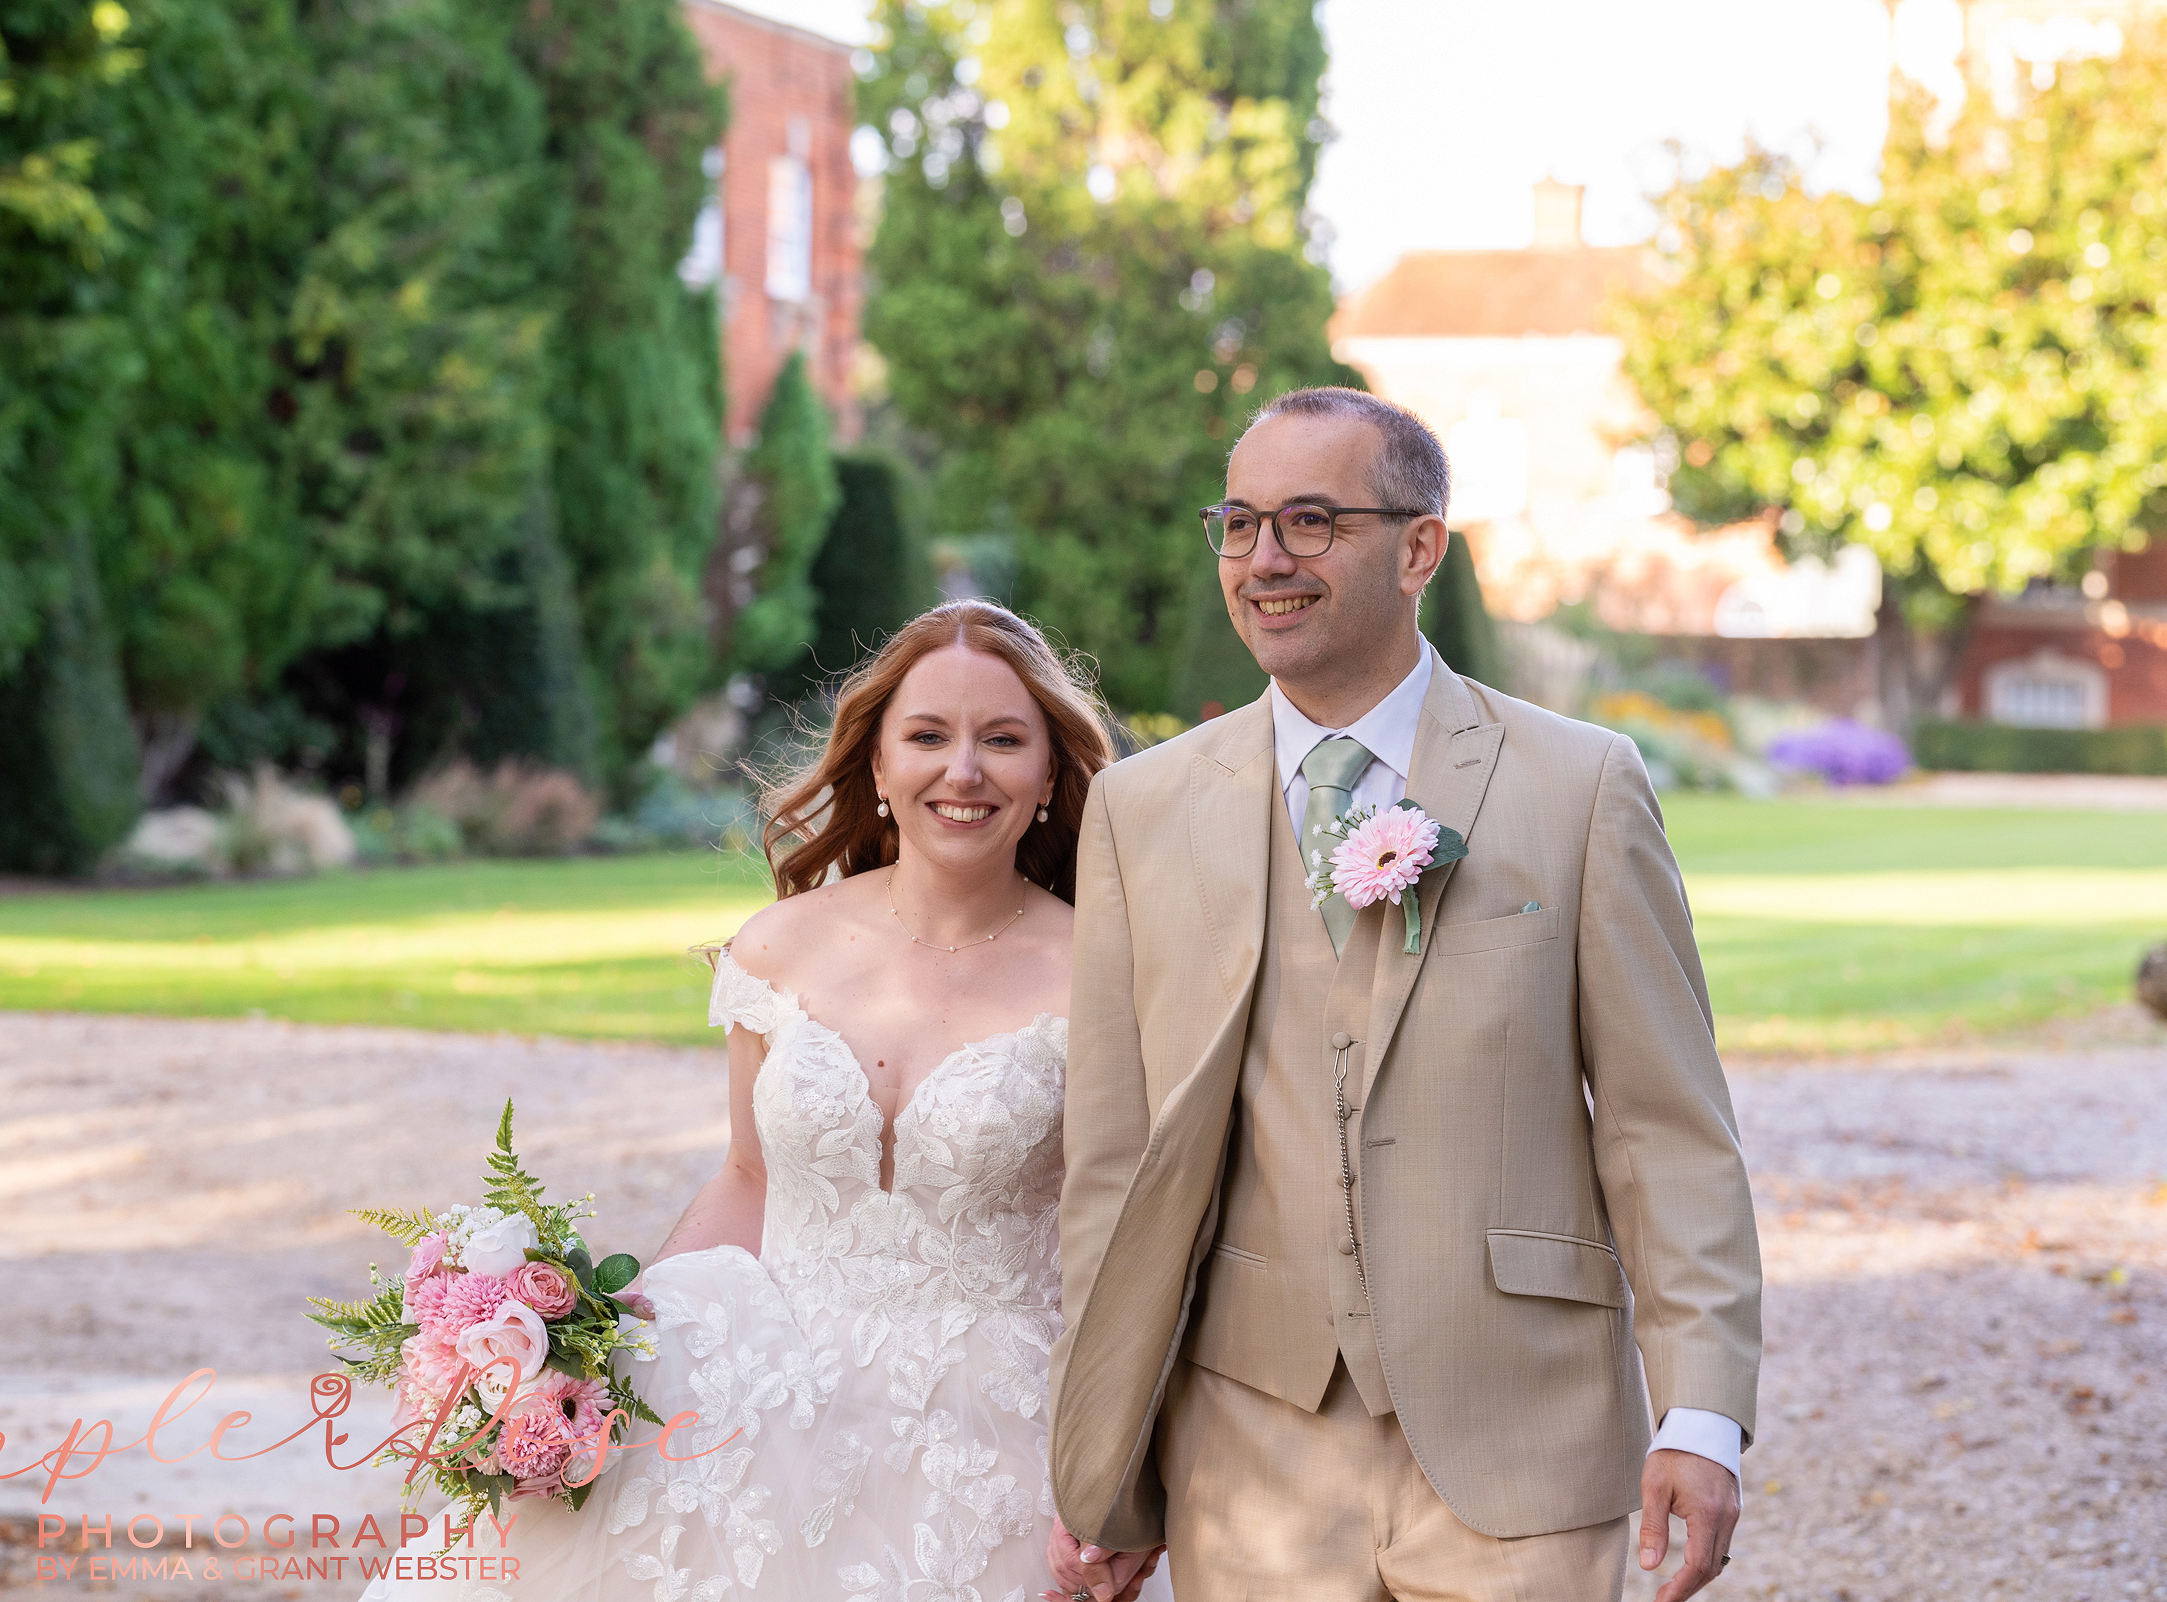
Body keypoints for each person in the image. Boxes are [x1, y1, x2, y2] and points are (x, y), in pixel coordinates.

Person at [1042, 387, 1763, 1602]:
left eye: (1312, 522)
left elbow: (1666, 1128)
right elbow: (1117, 1160)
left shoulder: (1579, 784)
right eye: (1240, 522)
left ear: (1421, 546)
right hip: (1251, 1452)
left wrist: (1701, 1416)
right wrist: (1106, 1458)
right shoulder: (1140, 809)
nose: (1265, 559)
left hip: (1523, 1428)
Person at [368, 600, 1165, 1602]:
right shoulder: (777, 948)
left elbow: (1130, 1240)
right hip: (761, 1402)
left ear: (1050, 773)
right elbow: (748, 1179)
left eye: (1003, 740)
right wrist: (599, 1360)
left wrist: (1114, 1468)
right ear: (876, 764)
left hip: (997, 1440)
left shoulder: (1106, 974)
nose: (962, 771)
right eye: (927, 736)